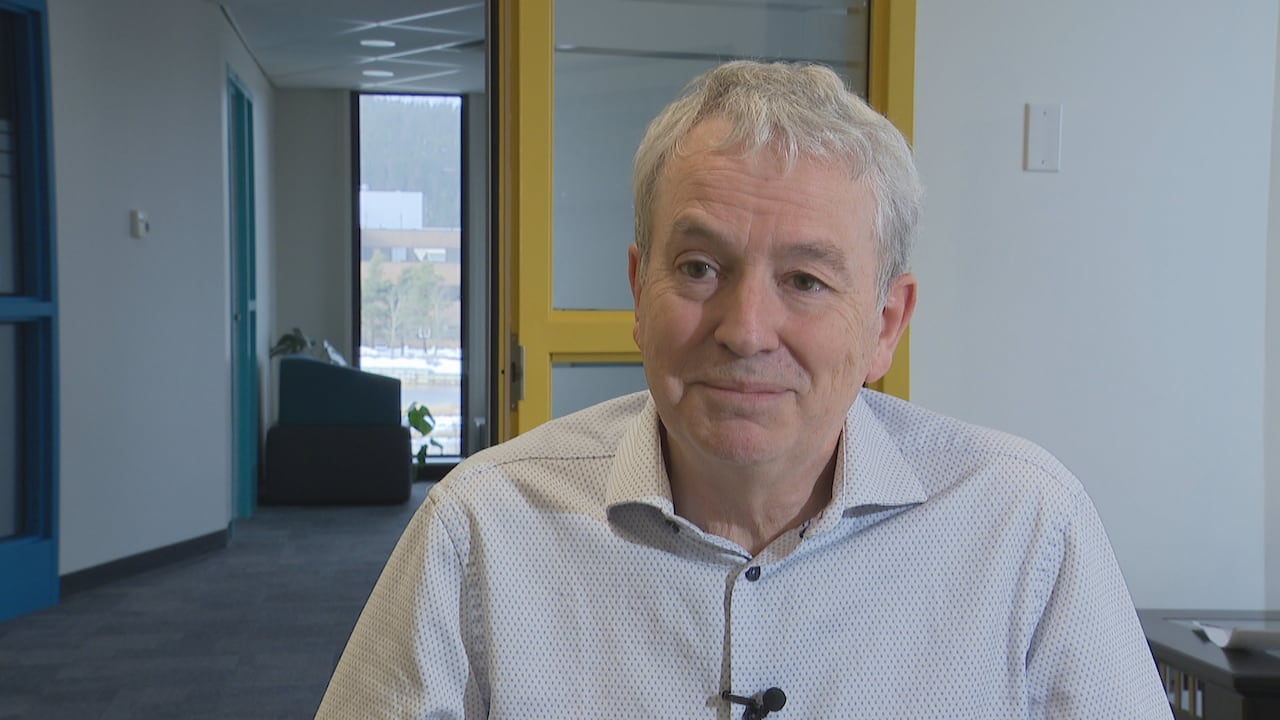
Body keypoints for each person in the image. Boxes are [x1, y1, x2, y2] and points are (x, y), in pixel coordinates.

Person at [316, 61, 1171, 719]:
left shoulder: (1027, 530)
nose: (745, 328)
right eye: (698, 267)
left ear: (886, 324)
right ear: (637, 294)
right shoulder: (481, 528)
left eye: (805, 280)